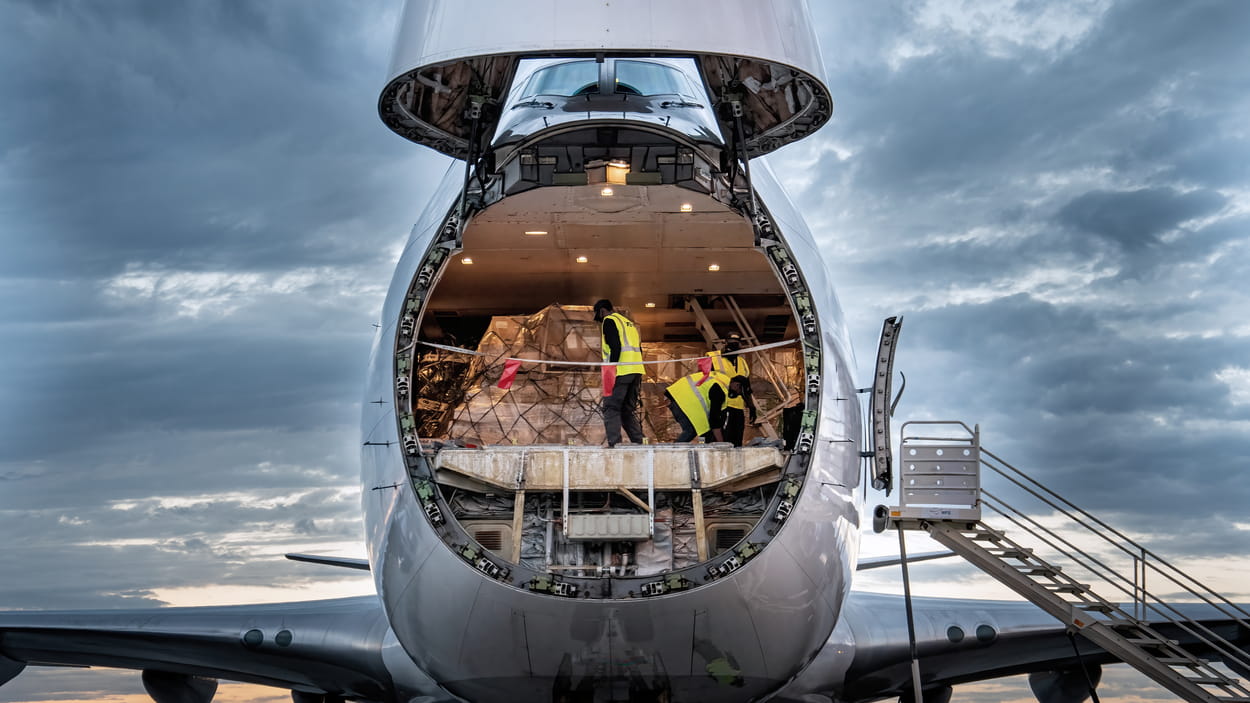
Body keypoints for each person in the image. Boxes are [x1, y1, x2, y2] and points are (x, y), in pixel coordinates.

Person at [594, 299, 645, 447]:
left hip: (621, 371)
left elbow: (615, 346)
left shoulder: (609, 321)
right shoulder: (628, 323)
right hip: (636, 370)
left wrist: (612, 370)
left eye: (599, 315)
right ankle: (640, 442)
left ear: (602, 311)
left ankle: (614, 444)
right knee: (626, 410)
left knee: (611, 407)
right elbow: (639, 349)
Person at [666, 368, 742, 444]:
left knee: (702, 430)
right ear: (737, 385)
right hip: (680, 398)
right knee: (691, 430)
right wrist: (721, 445)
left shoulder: (722, 381)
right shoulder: (719, 390)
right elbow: (714, 420)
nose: (738, 394)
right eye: (740, 392)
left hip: (677, 395)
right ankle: (671, 453)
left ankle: (675, 450)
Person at [708, 333, 755, 446]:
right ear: (725, 342)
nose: (734, 345)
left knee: (737, 440)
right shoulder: (713, 358)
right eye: (731, 342)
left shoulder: (742, 362)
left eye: (737, 343)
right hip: (722, 406)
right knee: (723, 440)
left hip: (738, 408)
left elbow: (746, 388)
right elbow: (705, 382)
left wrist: (751, 406)